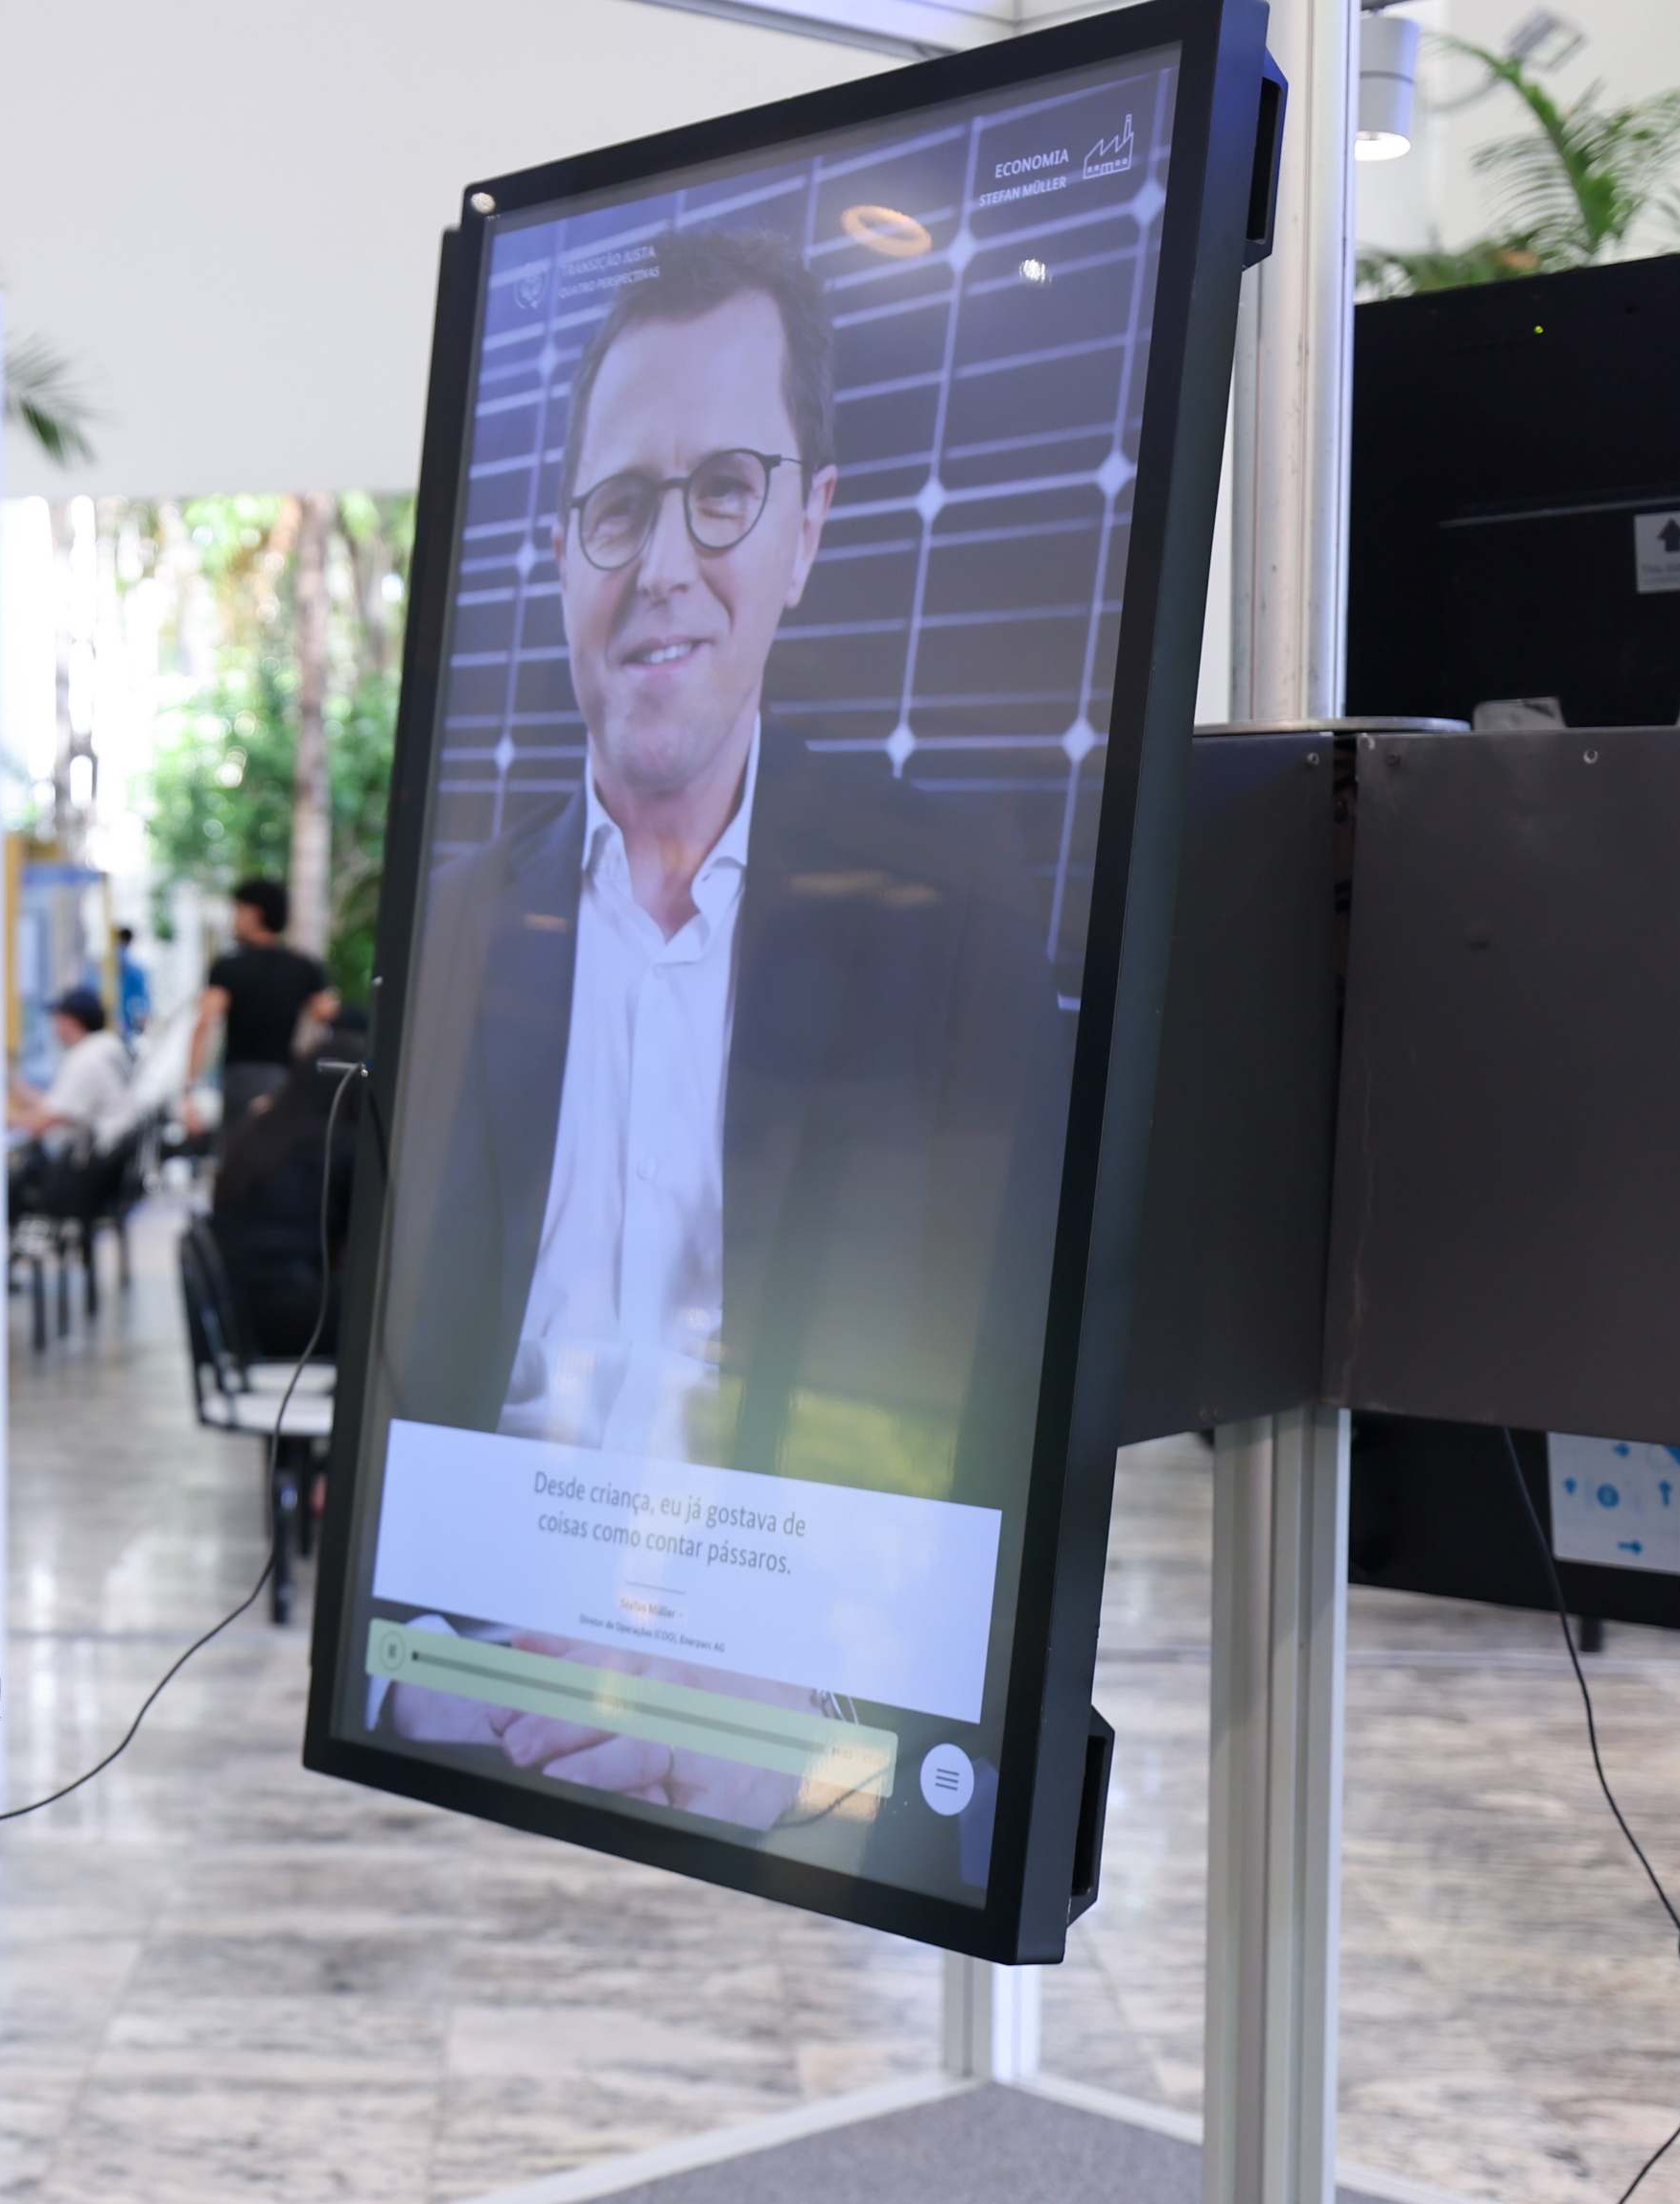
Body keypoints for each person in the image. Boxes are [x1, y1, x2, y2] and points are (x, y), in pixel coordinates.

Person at [373, 232, 1064, 1828]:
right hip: (471, 1689)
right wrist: (408, 1652)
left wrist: (826, 1695)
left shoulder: (937, 903)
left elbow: (989, 1356)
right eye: (619, 505)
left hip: (785, 1695)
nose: (663, 562)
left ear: (808, 523)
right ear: (561, 550)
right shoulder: (472, 925)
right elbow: (411, 1354)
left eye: (725, 489)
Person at [206, 1013, 366, 1362]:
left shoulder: (256, 1132)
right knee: (396, 1314)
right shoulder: (337, 1148)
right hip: (289, 1317)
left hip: (235, 1314)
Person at [181, 878, 336, 1140]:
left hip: (241, 1079)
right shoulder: (303, 967)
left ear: (254, 913)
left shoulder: (229, 968)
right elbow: (329, 1016)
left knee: (238, 1161)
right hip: (284, 1080)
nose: (233, 919)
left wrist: (189, 1090)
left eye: (237, 910)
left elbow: (205, 1023)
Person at [8, 984, 132, 1151]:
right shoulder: (107, 1045)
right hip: (119, 1152)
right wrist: (15, 1081)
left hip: (104, 1159)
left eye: (57, 1018)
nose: (53, 1026)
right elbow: (54, 1105)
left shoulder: (87, 1057)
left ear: (71, 1020)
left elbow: (41, 1123)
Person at [110, 923, 152, 1038]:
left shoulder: (115, 961)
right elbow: (142, 994)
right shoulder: (136, 968)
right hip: (126, 1017)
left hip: (120, 1015)